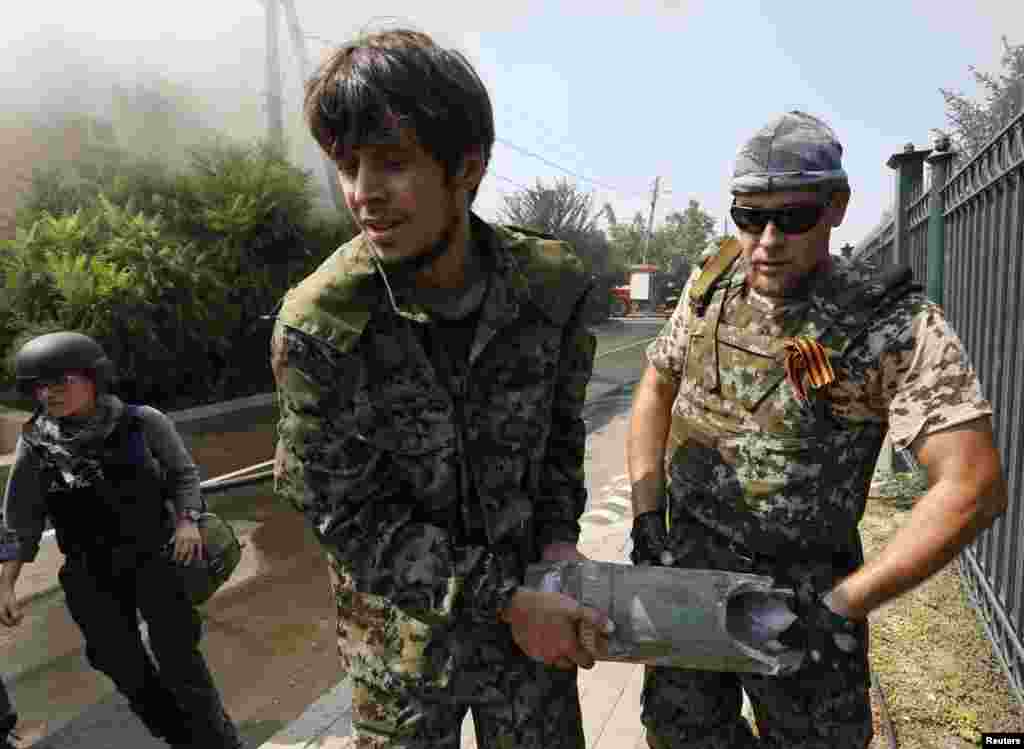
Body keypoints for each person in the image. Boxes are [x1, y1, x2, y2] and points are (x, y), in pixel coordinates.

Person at [270, 27, 610, 749]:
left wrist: (556, 542)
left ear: (468, 168)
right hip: (403, 657)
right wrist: (505, 600)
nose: (364, 193)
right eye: (347, 165)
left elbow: (559, 437)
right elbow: (348, 518)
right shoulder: (319, 326)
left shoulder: (551, 290)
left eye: (392, 164)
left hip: (532, 647)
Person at [626, 110, 1007, 749]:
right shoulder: (712, 281)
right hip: (688, 573)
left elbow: (973, 485)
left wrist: (842, 605)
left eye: (793, 217)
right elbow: (656, 384)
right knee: (681, 734)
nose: (767, 239)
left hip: (802, 604)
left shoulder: (891, 324)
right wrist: (645, 517)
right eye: (749, 215)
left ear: (837, 207)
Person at [0, 331, 243, 749]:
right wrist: (6, 581)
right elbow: (20, 520)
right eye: (40, 385)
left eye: (62, 382)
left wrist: (187, 521)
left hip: (155, 559)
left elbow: (183, 475)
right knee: (121, 664)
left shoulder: (142, 421)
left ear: (93, 378)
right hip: (90, 572)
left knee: (179, 662)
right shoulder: (36, 444)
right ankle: (182, 738)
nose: (50, 393)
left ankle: (219, 744)